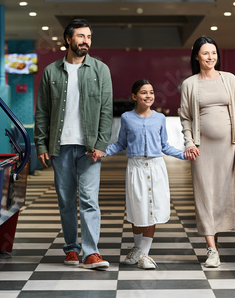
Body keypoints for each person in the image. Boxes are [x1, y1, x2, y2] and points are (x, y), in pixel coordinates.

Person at [34, 19, 113, 269]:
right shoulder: (51, 71)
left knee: (89, 200)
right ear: (68, 40)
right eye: (81, 37)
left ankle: (91, 252)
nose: (86, 41)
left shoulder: (101, 70)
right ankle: (71, 249)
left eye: (89, 37)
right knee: (66, 200)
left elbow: (106, 111)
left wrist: (101, 143)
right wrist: (41, 145)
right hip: (60, 146)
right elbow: (42, 112)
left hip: (89, 148)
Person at [104, 79, 195, 269]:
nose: (149, 96)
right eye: (144, 92)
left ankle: (144, 254)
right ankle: (138, 249)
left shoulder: (159, 118)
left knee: (152, 211)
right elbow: (121, 144)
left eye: (151, 92)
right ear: (134, 96)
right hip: (135, 168)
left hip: (156, 167)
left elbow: (164, 146)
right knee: (138, 210)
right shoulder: (127, 118)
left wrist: (184, 155)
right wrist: (102, 152)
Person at [179, 36, 235, 268]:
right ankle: (211, 249)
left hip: (227, 148)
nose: (210, 57)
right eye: (206, 53)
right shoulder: (190, 84)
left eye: (214, 53)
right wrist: (189, 142)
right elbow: (186, 117)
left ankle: (214, 243)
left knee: (221, 197)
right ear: (196, 56)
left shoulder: (229, 79)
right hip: (201, 149)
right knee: (204, 195)